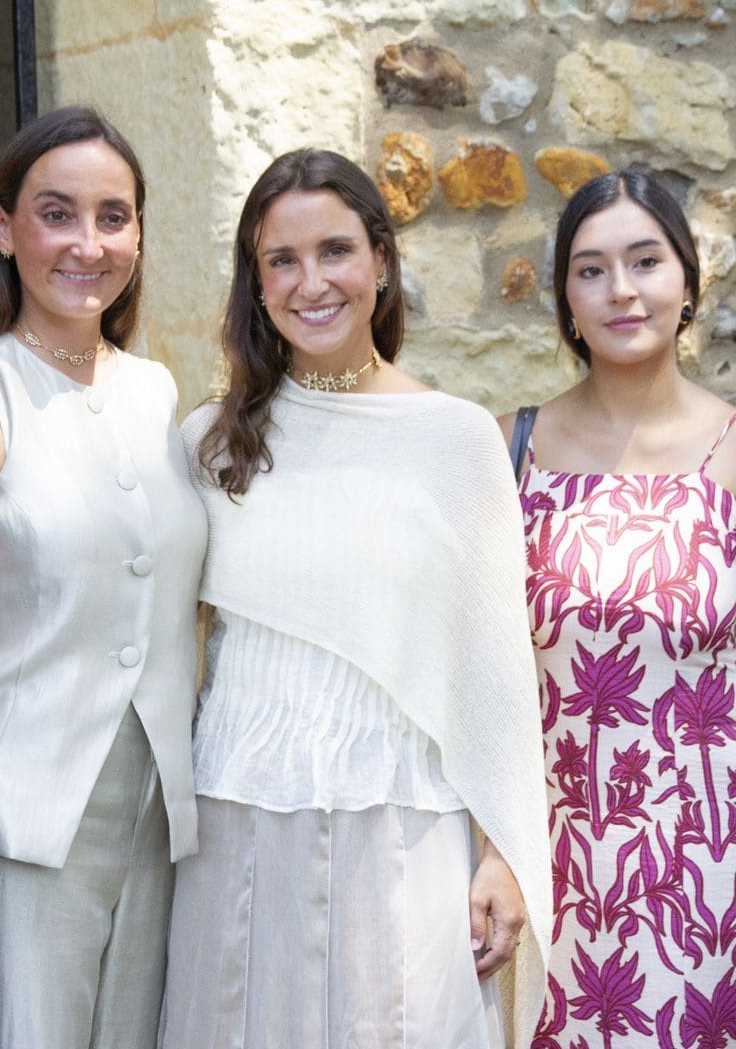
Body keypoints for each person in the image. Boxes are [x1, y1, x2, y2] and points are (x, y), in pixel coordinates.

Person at [157, 148, 551, 1049]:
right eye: (281, 262)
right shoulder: (208, 443)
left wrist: (505, 854)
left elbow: (494, 664)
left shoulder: (454, 440)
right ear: (254, 286)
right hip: (238, 813)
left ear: (380, 260)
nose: (312, 282)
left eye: (335, 251)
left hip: (404, 823)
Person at [0, 106, 207, 1048]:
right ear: (3, 228)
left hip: (161, 826)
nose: (88, 243)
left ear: (140, 233)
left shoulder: (156, 392)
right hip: (16, 828)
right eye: (57, 213)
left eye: (113, 216)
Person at [498, 167, 736, 1047]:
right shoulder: (511, 449)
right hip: (549, 862)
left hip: (710, 866)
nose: (622, 291)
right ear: (564, 297)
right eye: (591, 270)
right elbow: (482, 669)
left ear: (686, 283)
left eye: (646, 262)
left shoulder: (732, 450)